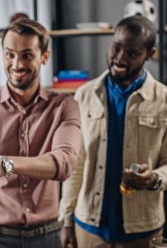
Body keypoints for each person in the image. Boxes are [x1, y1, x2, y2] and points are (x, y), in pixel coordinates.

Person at [0, 18, 81, 248]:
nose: (17, 64)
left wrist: (6, 164)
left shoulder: (64, 106)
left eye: (27, 55)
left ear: (44, 57)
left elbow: (65, 163)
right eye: (9, 54)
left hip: (48, 236)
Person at [59, 15, 167, 248]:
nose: (119, 59)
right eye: (116, 48)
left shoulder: (164, 100)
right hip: (88, 226)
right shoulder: (84, 95)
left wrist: (154, 179)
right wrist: (66, 220)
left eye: (132, 53)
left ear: (149, 54)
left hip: (143, 230)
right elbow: (76, 163)